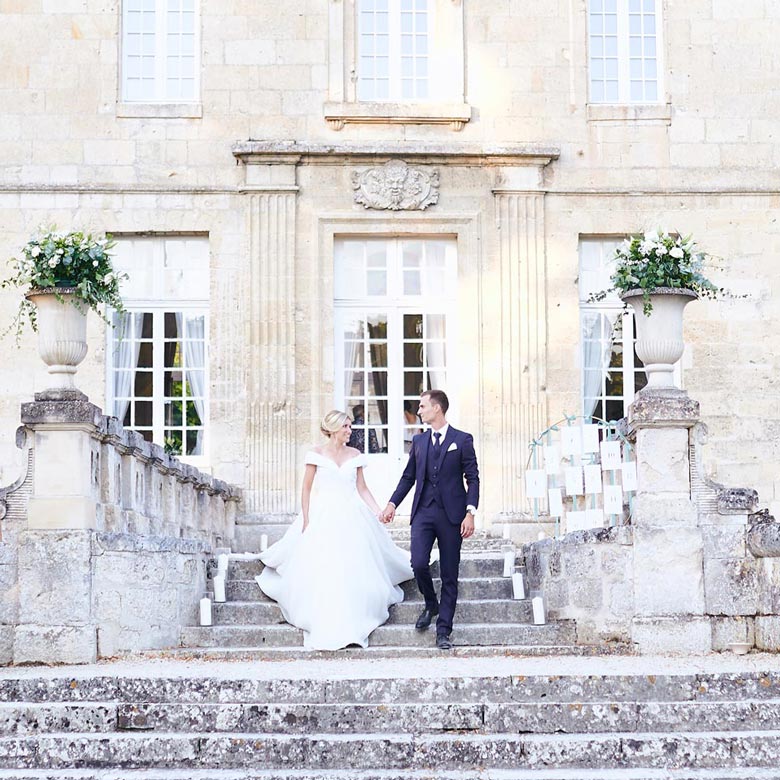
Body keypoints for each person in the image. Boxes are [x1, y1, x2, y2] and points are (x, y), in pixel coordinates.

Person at [256, 410, 413, 650]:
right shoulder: (315, 455)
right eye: (346, 427)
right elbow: (306, 489)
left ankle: (354, 615)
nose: (350, 431)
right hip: (324, 514)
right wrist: (307, 519)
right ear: (333, 429)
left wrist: (378, 511)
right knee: (326, 565)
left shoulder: (355, 455)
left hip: (353, 514)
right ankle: (326, 617)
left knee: (352, 564)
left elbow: (362, 489)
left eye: (350, 427)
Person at [381, 390, 479, 651]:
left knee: (449, 573)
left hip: (452, 516)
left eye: (423, 406)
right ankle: (431, 603)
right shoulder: (419, 441)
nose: (419, 410)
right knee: (419, 563)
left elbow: (473, 478)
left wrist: (471, 512)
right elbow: (408, 477)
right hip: (423, 512)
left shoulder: (463, 440)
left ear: (437, 408)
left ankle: (443, 630)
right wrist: (392, 503)